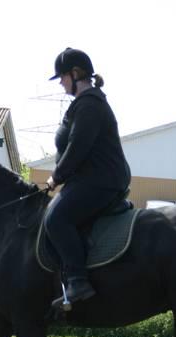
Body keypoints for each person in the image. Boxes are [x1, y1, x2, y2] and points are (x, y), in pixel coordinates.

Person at [44, 47, 131, 307]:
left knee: (56, 219)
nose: (60, 82)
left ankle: (78, 281)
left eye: (62, 76)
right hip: (92, 180)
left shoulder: (90, 105)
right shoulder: (84, 104)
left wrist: (55, 178)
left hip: (100, 181)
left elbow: (77, 148)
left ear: (76, 73)